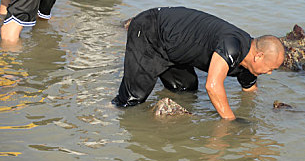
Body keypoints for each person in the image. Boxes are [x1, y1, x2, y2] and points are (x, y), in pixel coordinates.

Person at [112, 7, 285, 120]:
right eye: (271, 68)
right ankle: (107, 114)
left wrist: (265, 113)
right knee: (131, 101)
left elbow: (250, 91)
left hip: (174, 49)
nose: (269, 73)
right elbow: (212, 86)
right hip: (151, 31)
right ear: (259, 56)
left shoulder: (249, 64)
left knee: (186, 89)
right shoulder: (232, 46)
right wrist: (231, 121)